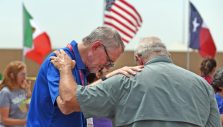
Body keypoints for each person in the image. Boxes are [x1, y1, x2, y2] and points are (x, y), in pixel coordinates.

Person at [51, 36, 221, 127]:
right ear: (167, 56)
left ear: (138, 59)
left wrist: (65, 69)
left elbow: (69, 101)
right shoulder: (203, 86)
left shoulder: (125, 80)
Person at [27, 26, 142, 127]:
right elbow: (67, 105)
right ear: (96, 46)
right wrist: (66, 69)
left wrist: (112, 75)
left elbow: (82, 95)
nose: (107, 67)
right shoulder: (60, 60)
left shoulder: (81, 67)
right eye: (109, 61)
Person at [0, 61, 32, 127]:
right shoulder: (5, 92)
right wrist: (26, 121)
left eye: (25, 74)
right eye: (22, 74)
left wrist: (28, 93)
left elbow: (24, 110)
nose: (25, 77)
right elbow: (4, 120)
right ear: (12, 75)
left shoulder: (21, 90)